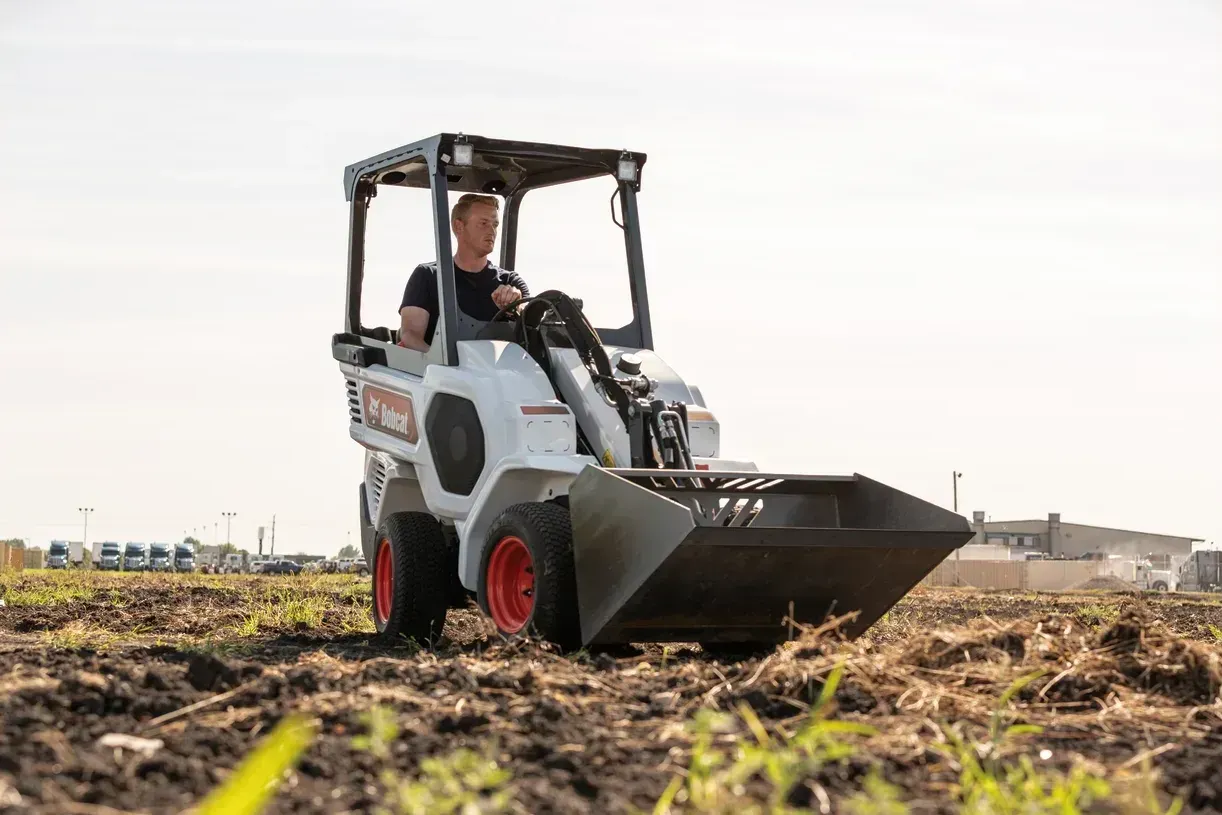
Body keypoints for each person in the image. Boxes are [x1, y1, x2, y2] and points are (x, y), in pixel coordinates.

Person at [397, 193, 529, 351]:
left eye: (495, 224)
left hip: (499, 374)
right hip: (442, 374)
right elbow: (410, 335)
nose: (492, 231)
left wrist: (515, 305)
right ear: (458, 226)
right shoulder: (428, 276)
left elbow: (530, 323)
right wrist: (451, 368)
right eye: (483, 223)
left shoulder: (511, 281)